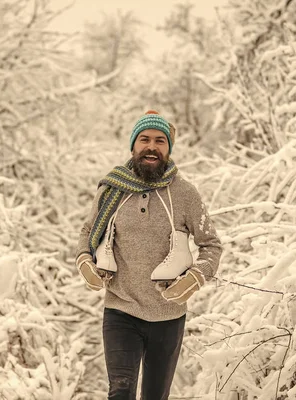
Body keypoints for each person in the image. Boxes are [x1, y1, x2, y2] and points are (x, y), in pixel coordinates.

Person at [75, 110, 223, 400]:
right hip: (121, 309)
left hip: (168, 316)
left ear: (168, 149)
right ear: (133, 146)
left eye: (160, 141)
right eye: (144, 139)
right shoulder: (112, 189)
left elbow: (212, 245)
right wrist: (84, 259)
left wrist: (195, 277)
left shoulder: (185, 195)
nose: (152, 146)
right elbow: (88, 230)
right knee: (120, 391)